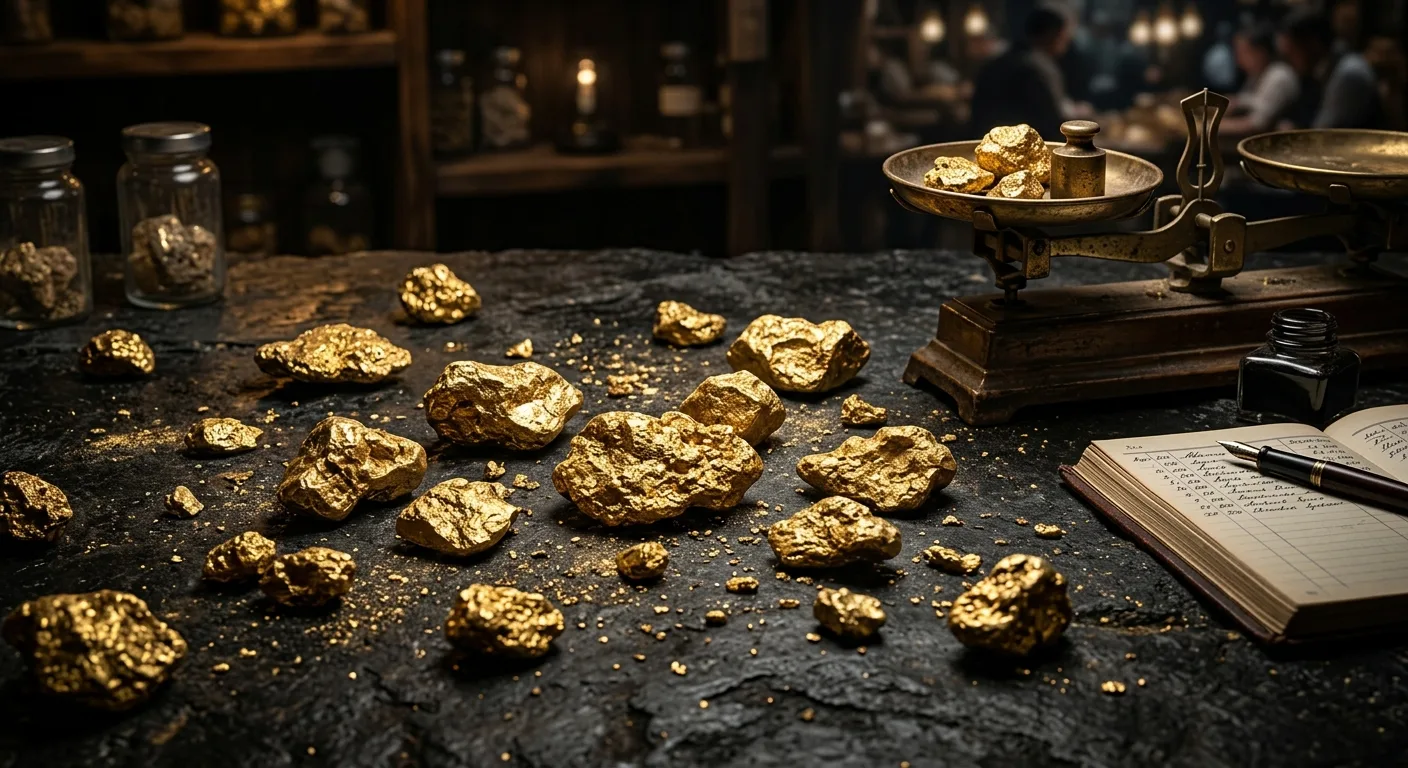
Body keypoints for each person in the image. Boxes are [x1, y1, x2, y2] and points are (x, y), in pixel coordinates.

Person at [970, 5, 1085, 138]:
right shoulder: (1038, 67)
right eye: (1064, 36)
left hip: (984, 138)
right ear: (1052, 34)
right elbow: (1053, 122)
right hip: (1023, 144)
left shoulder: (999, 60)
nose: (1067, 42)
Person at [1278, 8, 1381, 129]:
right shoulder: (1321, 69)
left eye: (1292, 52)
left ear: (1313, 44)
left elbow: (1322, 134)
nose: (1288, 61)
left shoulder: (1348, 75)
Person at [1221, 21, 1300, 136]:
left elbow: (1257, 124)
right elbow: (1245, 101)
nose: (1238, 60)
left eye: (1243, 53)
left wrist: (1209, 126)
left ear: (1261, 52)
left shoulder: (1279, 75)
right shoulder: (1257, 74)